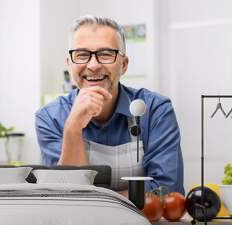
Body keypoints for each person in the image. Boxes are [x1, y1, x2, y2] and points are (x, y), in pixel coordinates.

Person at [35, 15, 184, 196]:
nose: (93, 65)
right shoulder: (50, 117)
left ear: (124, 64)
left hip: (143, 224)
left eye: (105, 54)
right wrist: (72, 128)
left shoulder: (155, 110)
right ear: (69, 64)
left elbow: (167, 190)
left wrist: (98, 199)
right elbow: (64, 195)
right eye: (82, 55)